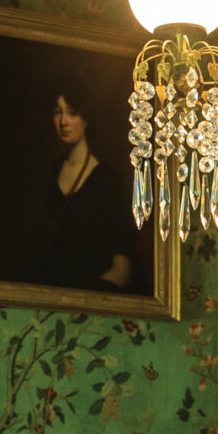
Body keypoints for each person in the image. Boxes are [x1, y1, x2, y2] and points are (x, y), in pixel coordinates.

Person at [35, 90, 134, 292]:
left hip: (92, 293)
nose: (63, 122)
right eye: (57, 112)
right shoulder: (52, 171)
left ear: (86, 119)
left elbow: (121, 269)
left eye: (72, 113)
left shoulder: (107, 179)